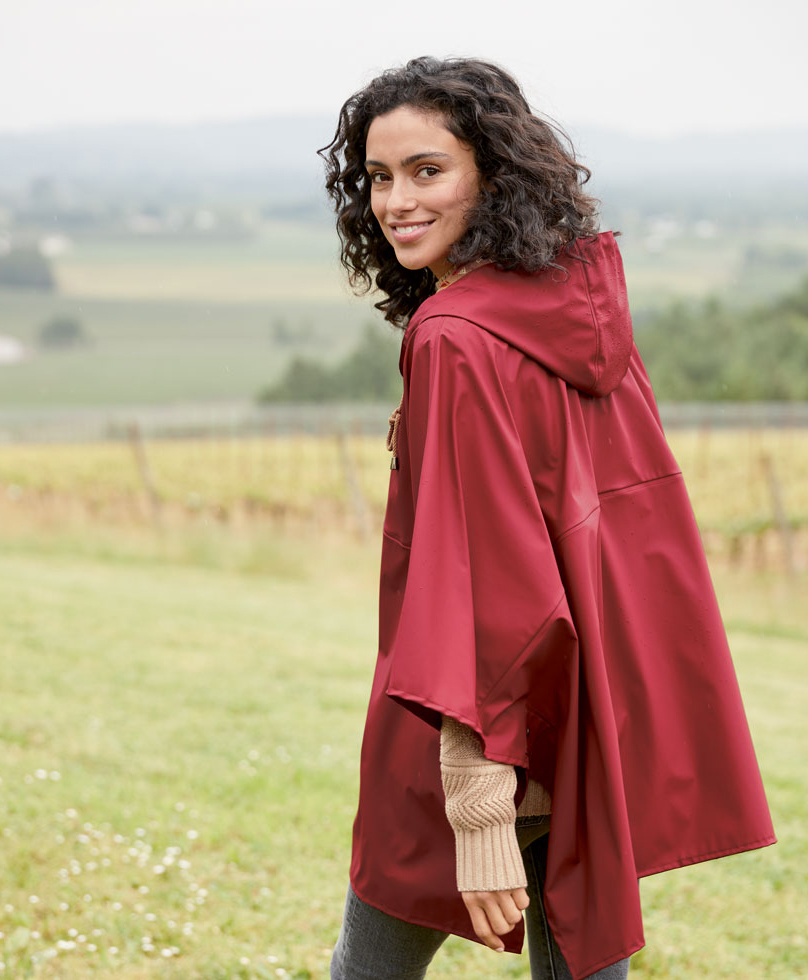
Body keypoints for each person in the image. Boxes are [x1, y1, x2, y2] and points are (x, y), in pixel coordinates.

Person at [319, 57, 776, 980]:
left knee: (366, 971)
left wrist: (476, 799)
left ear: (490, 172)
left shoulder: (454, 338)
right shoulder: (581, 302)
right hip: (579, 710)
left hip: (464, 720)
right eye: (377, 177)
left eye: (426, 170)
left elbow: (476, 572)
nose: (395, 202)